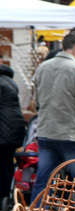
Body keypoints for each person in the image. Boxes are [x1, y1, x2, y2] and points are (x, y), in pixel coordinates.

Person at [31, 32, 75, 202]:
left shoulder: (43, 67)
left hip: (47, 131)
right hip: (72, 134)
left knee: (43, 182)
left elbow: (37, 101)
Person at [0, 64, 26, 203]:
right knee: (7, 163)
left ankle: (3, 196)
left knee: (3, 164)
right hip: (13, 129)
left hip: (4, 130)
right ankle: (7, 196)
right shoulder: (9, 81)